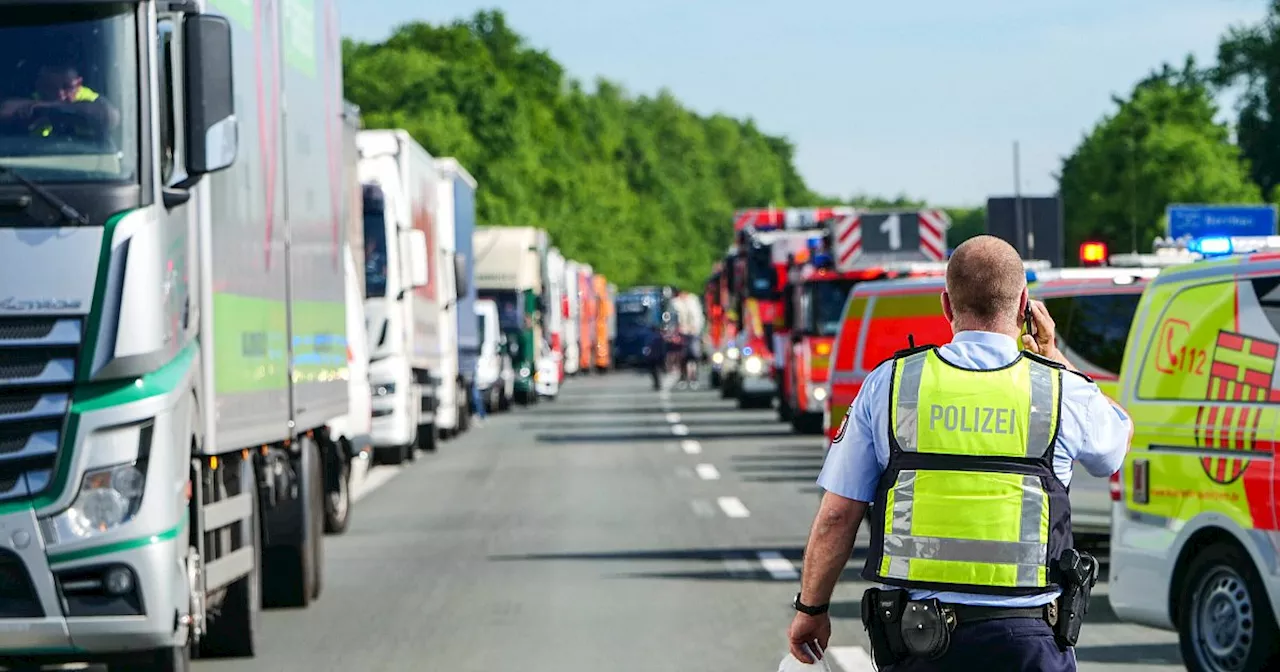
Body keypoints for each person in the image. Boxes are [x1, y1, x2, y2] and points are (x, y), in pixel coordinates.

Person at [786, 235, 1132, 671]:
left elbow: (838, 515)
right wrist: (1055, 356)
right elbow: (1114, 448)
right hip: (1028, 642)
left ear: (946, 305)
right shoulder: (1060, 389)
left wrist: (811, 609)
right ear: (1024, 303)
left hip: (920, 642)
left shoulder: (891, 385)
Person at [0, 63, 121, 138]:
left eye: (67, 87)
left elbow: (109, 117)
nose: (60, 95)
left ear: (79, 83)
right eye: (50, 88)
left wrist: (50, 109)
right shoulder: (33, 98)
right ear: (39, 85)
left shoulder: (91, 100)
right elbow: (5, 110)